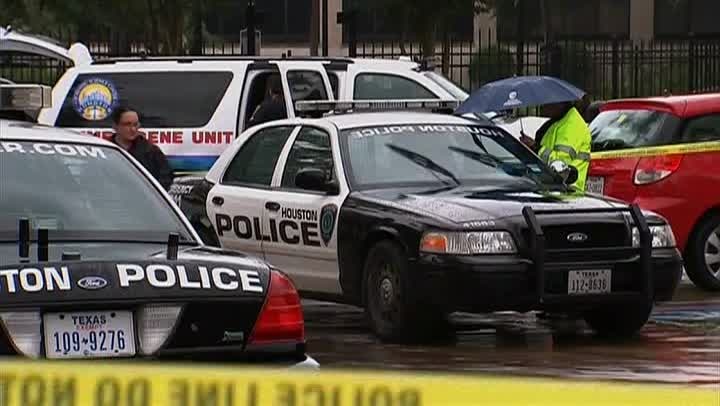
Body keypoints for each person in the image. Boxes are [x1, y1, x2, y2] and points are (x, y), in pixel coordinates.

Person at [111, 107, 174, 190]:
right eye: (127, 124)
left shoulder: (151, 151)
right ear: (115, 126)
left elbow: (166, 177)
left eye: (135, 124)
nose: (133, 129)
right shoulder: (105, 150)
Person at [536, 101, 592, 191]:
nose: (544, 106)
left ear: (560, 103)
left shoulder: (572, 125)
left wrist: (536, 148)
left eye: (548, 102)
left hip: (568, 190)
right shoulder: (559, 122)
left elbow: (561, 163)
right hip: (556, 188)